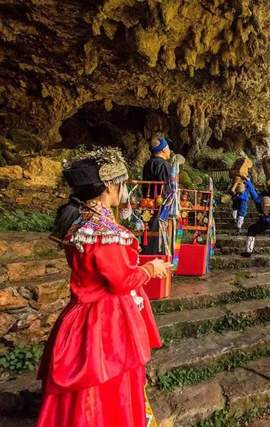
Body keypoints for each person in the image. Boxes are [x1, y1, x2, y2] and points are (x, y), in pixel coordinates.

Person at [38, 148, 169, 427]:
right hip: (106, 322)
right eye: (122, 183)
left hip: (79, 318)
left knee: (85, 392)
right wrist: (149, 269)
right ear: (109, 186)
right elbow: (121, 281)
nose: (124, 190)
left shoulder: (79, 223)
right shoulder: (106, 232)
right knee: (110, 385)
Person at [141, 133, 172, 254]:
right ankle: (158, 257)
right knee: (159, 232)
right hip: (160, 204)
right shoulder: (163, 164)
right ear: (164, 149)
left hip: (147, 202)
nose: (169, 150)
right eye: (168, 147)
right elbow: (167, 187)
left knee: (147, 230)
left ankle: (147, 255)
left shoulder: (148, 163)